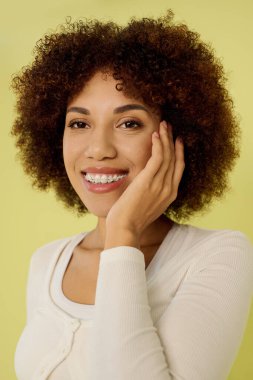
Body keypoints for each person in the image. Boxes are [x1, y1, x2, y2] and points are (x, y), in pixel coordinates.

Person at [12, 10, 253, 380]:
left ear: (177, 138)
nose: (98, 149)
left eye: (129, 123)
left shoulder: (218, 255)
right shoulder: (47, 263)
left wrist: (121, 233)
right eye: (79, 123)